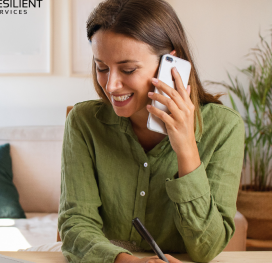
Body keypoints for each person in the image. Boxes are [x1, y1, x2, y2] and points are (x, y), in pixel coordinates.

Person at [57, 0, 245, 262]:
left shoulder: (224, 128)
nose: (111, 85)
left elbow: (207, 248)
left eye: (128, 69)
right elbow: (75, 226)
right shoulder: (84, 122)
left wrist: (187, 150)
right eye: (102, 67)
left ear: (172, 63)